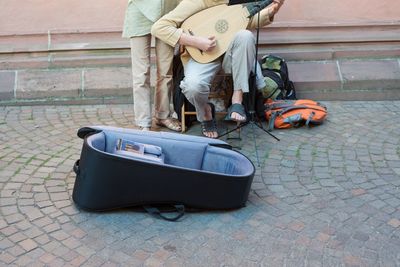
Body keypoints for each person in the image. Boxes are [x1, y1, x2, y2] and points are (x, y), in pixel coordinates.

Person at [151, 0, 284, 138]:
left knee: (245, 36)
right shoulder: (194, 2)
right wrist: (197, 42)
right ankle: (205, 112)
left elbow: (245, 21)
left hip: (230, 56)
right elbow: (159, 27)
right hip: (201, 58)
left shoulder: (232, 2)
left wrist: (273, 9)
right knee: (192, 86)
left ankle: (237, 100)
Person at [122, 0, 182, 131]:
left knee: (166, 71)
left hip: (168, 14)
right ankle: (144, 121)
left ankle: (163, 115)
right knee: (141, 73)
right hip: (139, 12)